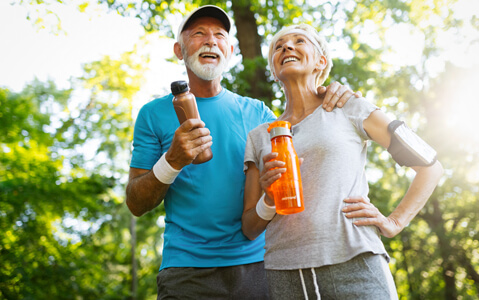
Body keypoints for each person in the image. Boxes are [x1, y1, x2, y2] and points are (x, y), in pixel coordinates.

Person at [126, 5, 359, 299]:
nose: (211, 40)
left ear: (231, 49)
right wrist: (172, 161)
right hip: (186, 271)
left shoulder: (259, 113)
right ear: (179, 49)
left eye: (219, 35)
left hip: (259, 265)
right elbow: (135, 202)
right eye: (198, 33)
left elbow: (306, 164)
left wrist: (334, 95)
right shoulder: (153, 114)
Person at [242, 24, 444, 299]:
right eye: (278, 46)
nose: (286, 47)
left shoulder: (350, 107)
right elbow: (250, 228)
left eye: (299, 41)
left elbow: (430, 165)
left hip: (356, 263)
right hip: (286, 275)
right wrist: (268, 199)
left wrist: (395, 222)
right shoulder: (259, 137)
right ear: (275, 72)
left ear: (320, 61)